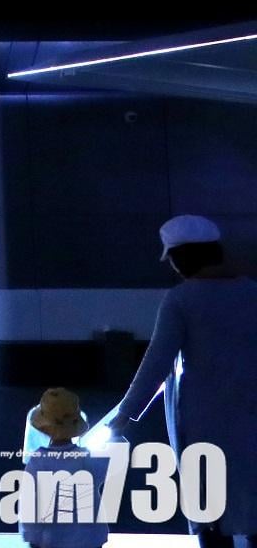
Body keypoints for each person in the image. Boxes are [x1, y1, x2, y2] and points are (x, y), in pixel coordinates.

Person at [108, 215, 257, 547]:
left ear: (179, 257)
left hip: (204, 420)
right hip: (251, 416)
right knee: (252, 501)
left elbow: (157, 362)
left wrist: (126, 414)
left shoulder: (182, 299)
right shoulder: (252, 292)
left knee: (210, 509)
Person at [20, 388, 109, 548]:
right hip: (89, 539)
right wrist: (116, 435)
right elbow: (105, 470)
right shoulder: (87, 457)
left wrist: (32, 536)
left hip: (52, 540)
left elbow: (29, 503)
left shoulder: (38, 461)